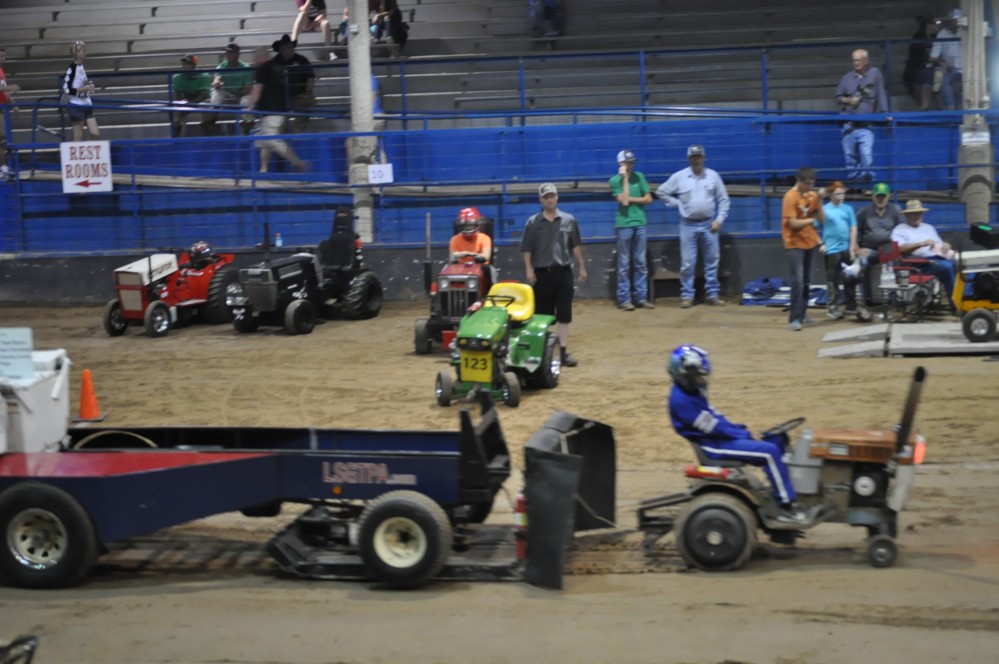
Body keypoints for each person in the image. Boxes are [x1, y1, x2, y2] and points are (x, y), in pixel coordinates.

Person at [667, 344, 818, 525]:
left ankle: (786, 489)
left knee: (778, 439)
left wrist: (742, 430)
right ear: (685, 375)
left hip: (719, 438)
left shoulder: (692, 392)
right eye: (698, 376)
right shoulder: (681, 401)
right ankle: (787, 506)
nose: (701, 379)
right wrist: (745, 434)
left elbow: (717, 418)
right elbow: (716, 428)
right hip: (713, 446)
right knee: (769, 452)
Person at [521, 182, 587, 367]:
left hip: (564, 272)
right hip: (541, 274)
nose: (550, 199)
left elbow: (575, 246)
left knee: (564, 313)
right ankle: (544, 352)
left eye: (552, 196)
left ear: (557, 197)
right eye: (546, 197)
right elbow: (527, 249)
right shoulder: (533, 223)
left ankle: (563, 352)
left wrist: (581, 267)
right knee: (542, 315)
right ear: (541, 200)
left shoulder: (569, 220)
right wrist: (528, 268)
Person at [656, 144, 730, 308]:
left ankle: (712, 295)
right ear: (689, 159)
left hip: (709, 224)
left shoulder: (713, 176)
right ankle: (687, 295)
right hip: (687, 225)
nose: (696, 160)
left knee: (712, 260)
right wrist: (677, 204)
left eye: (698, 157)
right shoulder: (679, 177)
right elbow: (661, 191)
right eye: (693, 157)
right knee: (688, 262)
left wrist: (719, 220)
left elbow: (723, 199)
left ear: (703, 158)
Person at [245, 45, 310, 174]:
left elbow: (257, 91)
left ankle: (298, 162)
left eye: (255, 56)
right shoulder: (276, 67)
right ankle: (263, 170)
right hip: (277, 111)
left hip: (271, 112)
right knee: (264, 141)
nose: (254, 59)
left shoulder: (262, 69)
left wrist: (250, 107)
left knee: (271, 139)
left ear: (260, 56)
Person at [891, 199, 957, 312]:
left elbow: (940, 245)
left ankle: (963, 300)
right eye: (913, 214)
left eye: (919, 213)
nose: (917, 216)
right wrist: (921, 244)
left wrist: (946, 245)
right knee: (946, 267)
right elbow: (899, 248)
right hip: (918, 264)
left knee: (960, 263)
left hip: (937, 257)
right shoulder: (900, 229)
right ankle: (955, 305)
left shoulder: (928, 227)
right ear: (907, 215)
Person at [834, 49, 888, 186]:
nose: (856, 63)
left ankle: (868, 185)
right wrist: (849, 100)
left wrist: (886, 113)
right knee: (850, 158)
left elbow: (881, 93)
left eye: (859, 60)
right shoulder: (847, 77)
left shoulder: (875, 74)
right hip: (849, 124)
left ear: (866, 61)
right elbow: (838, 97)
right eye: (854, 60)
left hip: (866, 125)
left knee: (866, 156)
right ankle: (855, 186)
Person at [781, 166, 825, 331]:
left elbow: (822, 219)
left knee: (806, 281)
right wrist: (809, 220)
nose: (809, 187)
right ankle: (795, 318)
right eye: (807, 184)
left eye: (812, 184)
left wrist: (819, 201)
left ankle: (802, 312)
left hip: (809, 243)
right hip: (794, 244)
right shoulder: (790, 197)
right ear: (798, 180)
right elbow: (792, 223)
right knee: (797, 281)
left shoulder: (812, 195)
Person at [609, 149, 653, 311]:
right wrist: (625, 179)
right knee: (624, 263)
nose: (630, 165)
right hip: (624, 225)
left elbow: (649, 199)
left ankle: (641, 297)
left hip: (640, 223)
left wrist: (632, 198)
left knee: (640, 261)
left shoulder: (640, 177)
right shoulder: (614, 181)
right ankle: (624, 299)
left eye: (632, 162)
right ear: (621, 164)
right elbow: (624, 202)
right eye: (627, 162)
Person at [856, 182, 903, 305]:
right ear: (873, 197)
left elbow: (902, 230)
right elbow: (854, 230)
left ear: (888, 197)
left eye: (883, 196)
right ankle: (868, 298)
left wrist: (899, 248)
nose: (881, 199)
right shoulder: (864, 211)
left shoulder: (895, 210)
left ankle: (894, 297)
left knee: (896, 263)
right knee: (863, 263)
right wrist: (858, 249)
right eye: (878, 196)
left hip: (888, 246)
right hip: (869, 248)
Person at [820, 181, 859, 319]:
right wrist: (821, 243)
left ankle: (851, 306)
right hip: (831, 250)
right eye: (838, 193)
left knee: (850, 278)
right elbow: (813, 225)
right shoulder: (824, 209)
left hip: (846, 250)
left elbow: (853, 228)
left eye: (842, 192)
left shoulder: (848, 209)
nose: (841, 195)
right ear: (831, 194)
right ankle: (832, 308)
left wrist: (852, 247)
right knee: (833, 280)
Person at [271, 34, 316, 134]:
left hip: (299, 96)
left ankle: (297, 131)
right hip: (280, 98)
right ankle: (280, 132)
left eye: (290, 47)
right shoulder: (275, 62)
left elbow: (310, 77)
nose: (289, 49)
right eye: (286, 47)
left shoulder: (302, 60)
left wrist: (308, 93)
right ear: (280, 49)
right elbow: (270, 81)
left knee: (309, 103)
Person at [205, 44, 254, 135]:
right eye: (227, 52)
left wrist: (237, 96)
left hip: (242, 93)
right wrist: (217, 82)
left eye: (230, 53)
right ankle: (211, 119)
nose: (227, 55)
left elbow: (248, 89)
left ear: (237, 54)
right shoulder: (223, 65)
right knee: (217, 92)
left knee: (246, 101)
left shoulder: (246, 67)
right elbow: (217, 78)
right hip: (228, 93)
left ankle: (247, 124)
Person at [62, 41, 100, 142]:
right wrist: (84, 89)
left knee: (95, 133)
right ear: (77, 53)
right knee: (78, 136)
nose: (85, 53)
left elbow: (81, 82)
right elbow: (67, 88)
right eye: (83, 51)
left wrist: (89, 86)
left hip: (86, 103)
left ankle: (87, 153)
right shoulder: (72, 68)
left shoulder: (81, 67)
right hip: (76, 105)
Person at [903, 14, 941, 110]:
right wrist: (934, 60)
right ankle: (924, 106)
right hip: (917, 68)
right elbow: (921, 57)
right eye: (936, 23)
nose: (938, 26)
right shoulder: (918, 37)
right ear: (928, 24)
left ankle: (927, 105)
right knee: (925, 74)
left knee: (939, 73)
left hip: (933, 67)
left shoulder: (937, 37)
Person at [170, 54, 211, 137]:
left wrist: (193, 102)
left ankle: (207, 137)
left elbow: (204, 94)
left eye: (188, 64)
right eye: (184, 64)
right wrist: (183, 101)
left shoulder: (204, 75)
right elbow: (177, 95)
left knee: (208, 108)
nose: (185, 67)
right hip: (186, 101)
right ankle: (176, 139)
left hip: (200, 101)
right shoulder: (177, 77)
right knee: (176, 113)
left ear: (194, 65)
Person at [930, 9, 963, 111]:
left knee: (962, 86)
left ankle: (961, 109)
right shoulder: (942, 34)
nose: (957, 22)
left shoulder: (965, 31)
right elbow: (932, 57)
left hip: (968, 69)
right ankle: (951, 107)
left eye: (958, 20)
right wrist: (941, 62)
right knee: (943, 80)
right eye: (954, 20)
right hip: (951, 70)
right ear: (949, 21)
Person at [0, 46, 21, 180]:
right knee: (2, 139)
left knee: (3, 139)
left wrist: (12, 103)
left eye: (4, 56)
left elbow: (3, 91)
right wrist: (10, 87)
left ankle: (3, 168)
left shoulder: (1, 70)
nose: (4, 58)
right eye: (1, 56)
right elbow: (3, 88)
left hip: (2, 107)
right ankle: (2, 169)